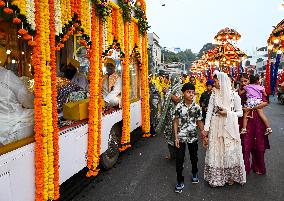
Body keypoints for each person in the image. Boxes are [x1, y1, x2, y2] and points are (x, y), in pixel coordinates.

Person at [203, 70, 246, 187]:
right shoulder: (213, 94)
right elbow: (209, 112)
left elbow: (240, 113)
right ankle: (218, 177)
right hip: (216, 126)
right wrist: (206, 128)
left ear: (222, 81)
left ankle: (230, 176)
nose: (214, 83)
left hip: (229, 127)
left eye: (216, 81)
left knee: (229, 151)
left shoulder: (234, 95)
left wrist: (228, 113)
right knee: (217, 150)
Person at [173, 83, 205, 193]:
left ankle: (195, 172)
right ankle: (179, 180)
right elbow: (176, 122)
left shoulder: (197, 107)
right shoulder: (178, 107)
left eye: (192, 92)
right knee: (179, 159)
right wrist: (176, 137)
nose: (191, 94)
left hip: (192, 136)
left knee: (194, 157)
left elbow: (199, 121)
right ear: (183, 93)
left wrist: (203, 134)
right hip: (181, 137)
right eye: (188, 92)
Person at [238, 74, 270, 175]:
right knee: (245, 144)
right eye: (241, 81)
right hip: (244, 120)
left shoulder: (255, 89)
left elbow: (265, 102)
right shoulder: (238, 92)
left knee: (259, 145)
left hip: (257, 120)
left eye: (245, 81)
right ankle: (244, 169)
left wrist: (250, 108)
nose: (243, 83)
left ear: (250, 81)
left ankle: (258, 167)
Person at [0, 65, 34, 146]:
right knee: (42, 115)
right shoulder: (5, 75)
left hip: (3, 127)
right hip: (10, 129)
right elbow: (26, 98)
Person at [156, 75, 182, 160]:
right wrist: (166, 93)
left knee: (175, 135)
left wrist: (167, 92)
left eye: (172, 79)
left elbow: (177, 99)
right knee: (169, 136)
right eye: (171, 79)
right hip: (169, 116)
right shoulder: (171, 88)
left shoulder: (178, 88)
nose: (171, 80)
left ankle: (178, 155)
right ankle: (172, 155)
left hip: (175, 116)